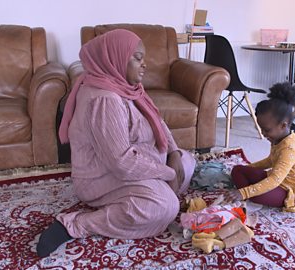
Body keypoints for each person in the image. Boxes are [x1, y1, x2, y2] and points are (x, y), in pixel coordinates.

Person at [36, 29, 196, 258]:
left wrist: (173, 153)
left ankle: (158, 186)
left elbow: (157, 121)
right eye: (137, 58)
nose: (144, 65)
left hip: (139, 160)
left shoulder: (126, 86)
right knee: (165, 207)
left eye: (144, 59)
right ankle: (75, 225)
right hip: (102, 176)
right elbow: (122, 162)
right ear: (116, 58)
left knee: (187, 162)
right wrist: (167, 172)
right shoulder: (104, 98)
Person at [225, 82, 295, 212]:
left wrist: (244, 192)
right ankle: (250, 194)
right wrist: (248, 168)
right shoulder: (278, 138)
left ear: (283, 125)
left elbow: (274, 181)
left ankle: (251, 197)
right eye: (261, 129)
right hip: (275, 178)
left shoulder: (290, 149)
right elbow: (270, 161)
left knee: (256, 195)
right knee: (238, 170)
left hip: (289, 191)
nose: (263, 134)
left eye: (267, 130)